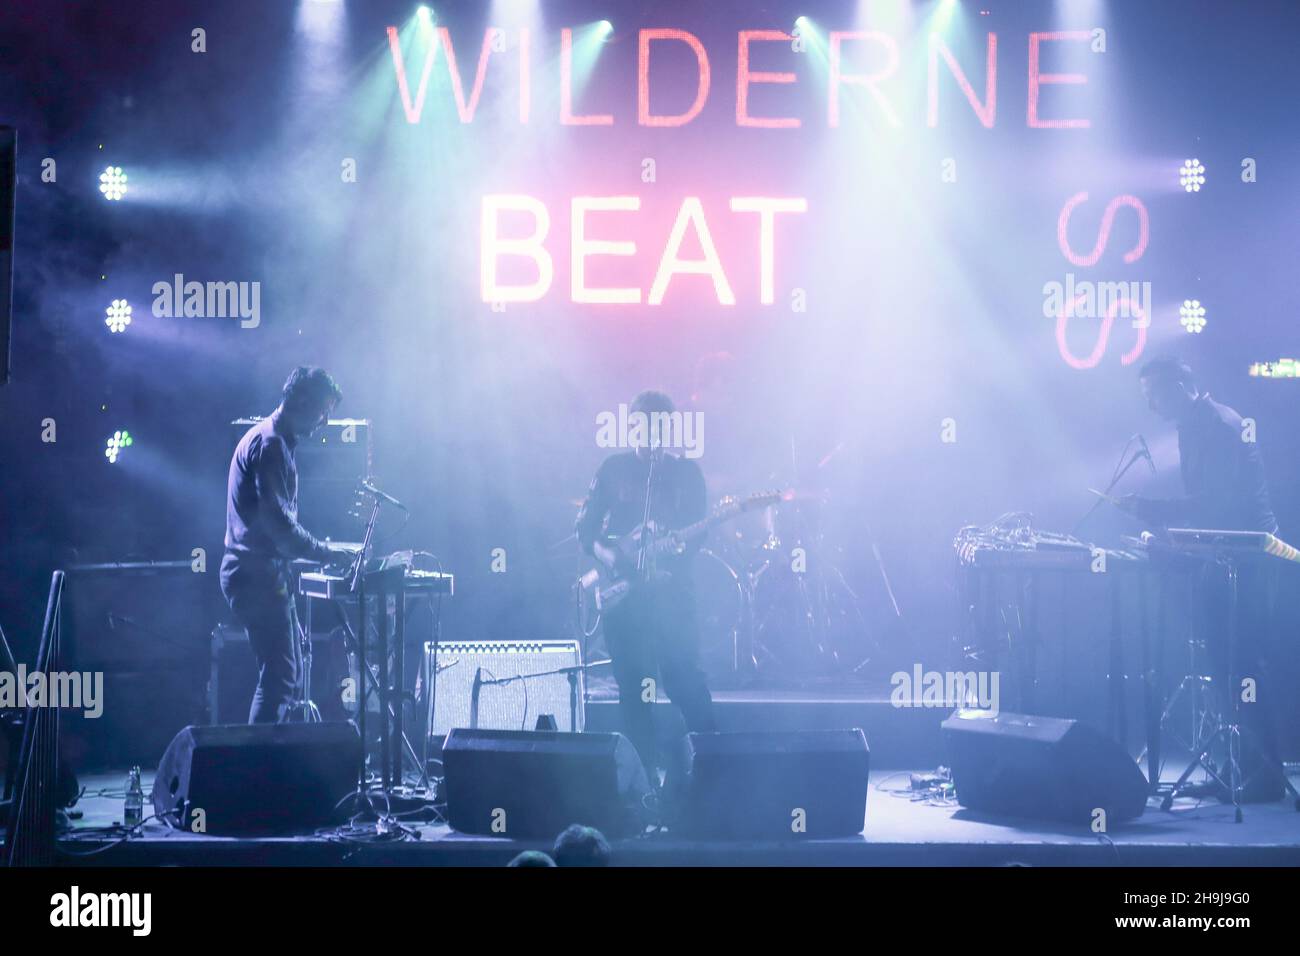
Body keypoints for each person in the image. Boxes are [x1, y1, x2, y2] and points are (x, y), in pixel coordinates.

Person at [1119, 357, 1285, 802]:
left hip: (1250, 560)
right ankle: (1238, 767)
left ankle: (1263, 776)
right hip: (1226, 555)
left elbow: (1217, 503)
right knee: (1224, 666)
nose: (1151, 405)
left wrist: (1155, 513)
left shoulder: (1220, 425)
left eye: (1154, 394)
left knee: (1243, 665)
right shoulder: (1194, 425)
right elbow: (1207, 506)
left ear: (1178, 385)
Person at [575, 390, 716, 776]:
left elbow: (699, 534)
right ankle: (644, 785)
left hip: (673, 598)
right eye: (642, 425)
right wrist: (614, 556)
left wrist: (670, 549)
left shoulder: (687, 474)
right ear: (631, 428)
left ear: (670, 429)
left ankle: (712, 771)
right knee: (635, 689)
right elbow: (585, 531)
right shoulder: (613, 469)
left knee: (685, 678)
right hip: (626, 602)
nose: (651, 434)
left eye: (659, 426)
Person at [221, 367, 350, 723]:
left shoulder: (271, 440)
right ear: (303, 400)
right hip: (254, 578)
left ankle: (266, 765)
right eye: (323, 410)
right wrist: (327, 554)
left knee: (284, 675)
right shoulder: (271, 445)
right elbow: (279, 528)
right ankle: (259, 769)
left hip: (260, 575)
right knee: (280, 677)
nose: (324, 421)